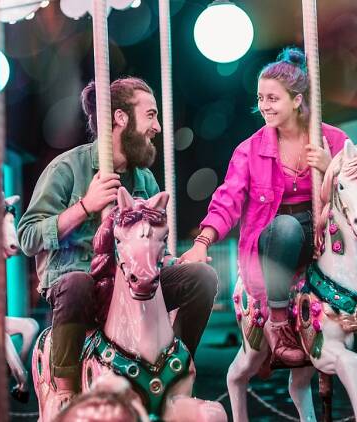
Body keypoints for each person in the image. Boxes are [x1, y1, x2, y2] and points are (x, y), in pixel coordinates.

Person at [180, 47, 357, 366]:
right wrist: (203, 242)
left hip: (326, 229)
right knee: (286, 229)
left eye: (272, 98)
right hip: (277, 239)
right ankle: (279, 321)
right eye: (260, 98)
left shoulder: (334, 139)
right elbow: (227, 198)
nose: (263, 106)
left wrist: (331, 167)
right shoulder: (250, 150)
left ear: (297, 100)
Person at [18, 77, 219, 405]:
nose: (156, 126)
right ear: (121, 118)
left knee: (202, 278)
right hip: (83, 284)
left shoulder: (145, 180)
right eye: (150, 115)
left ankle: (174, 367)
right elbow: (27, 237)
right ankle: (64, 389)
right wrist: (85, 207)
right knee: (77, 284)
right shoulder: (68, 168)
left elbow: (152, 248)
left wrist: (174, 261)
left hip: (132, 286)